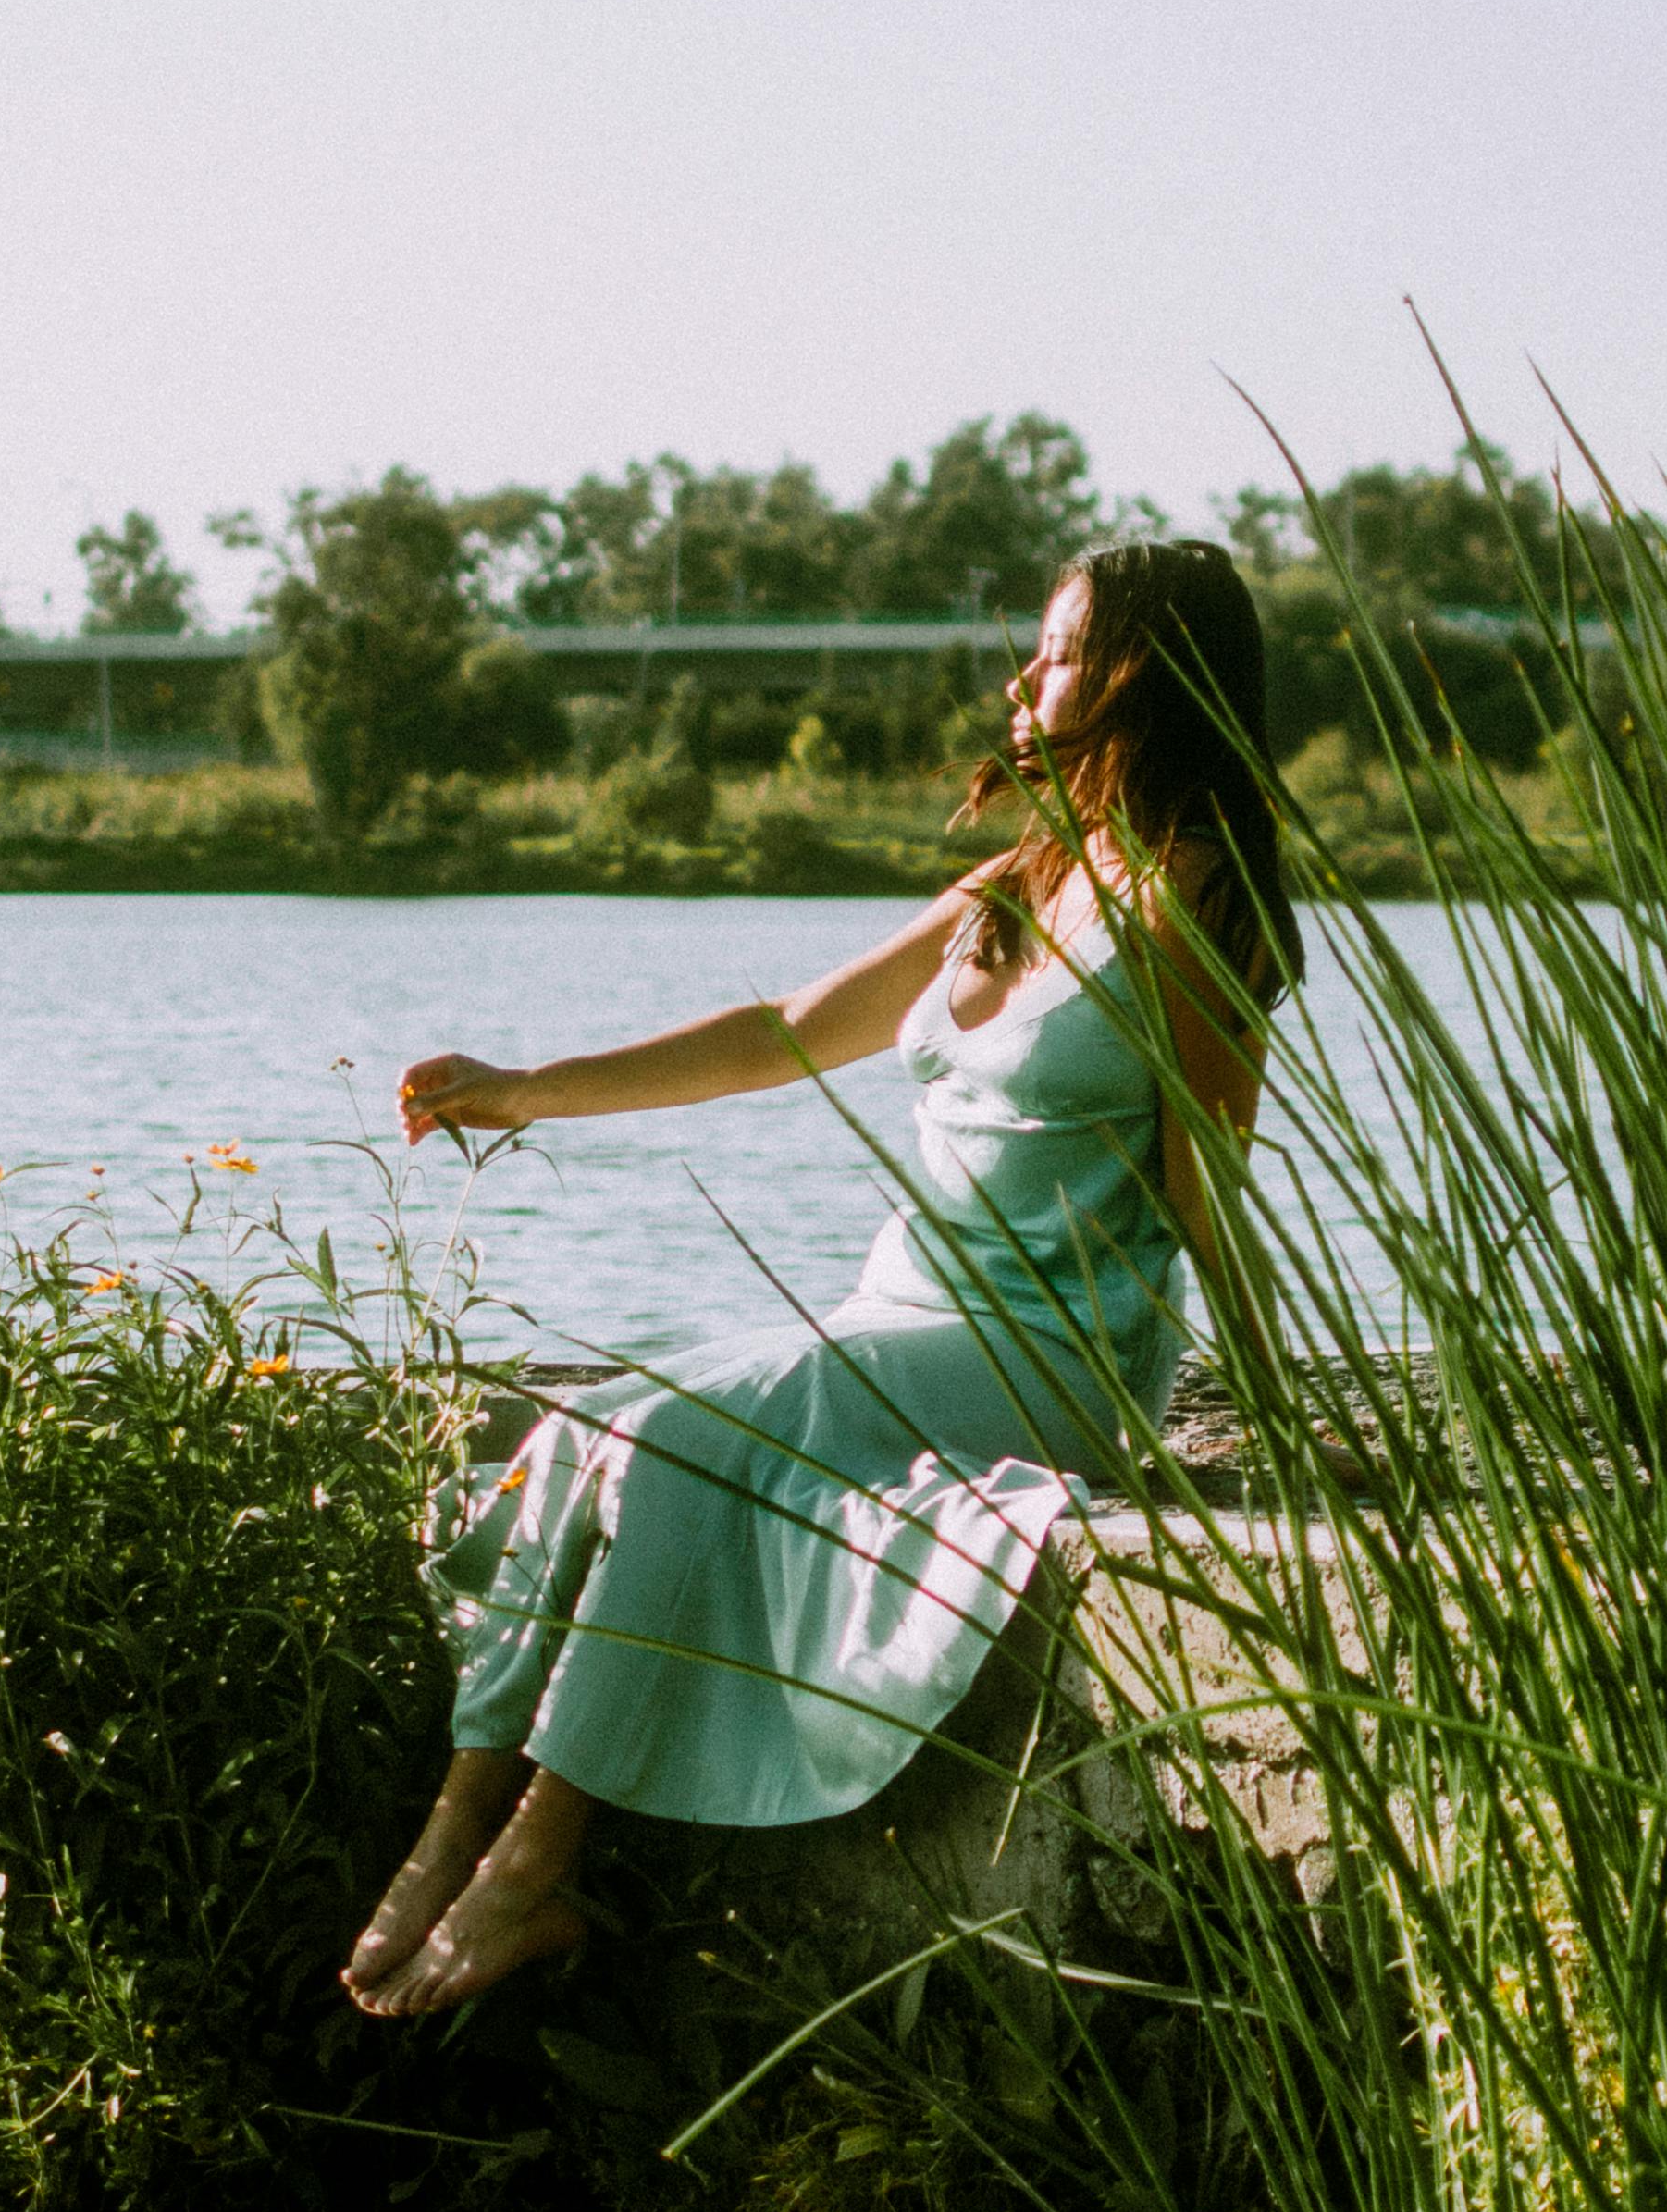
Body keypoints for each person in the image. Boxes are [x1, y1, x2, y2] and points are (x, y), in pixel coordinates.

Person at [344, 538, 1296, 2016]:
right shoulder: (1019, 881)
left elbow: (1203, 1199)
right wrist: (527, 1088)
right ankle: (460, 1818)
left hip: (1048, 1358)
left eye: (1052, 650)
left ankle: (539, 1861)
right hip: (895, 1317)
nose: (1020, 676)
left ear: (1134, 679)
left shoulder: (1198, 913)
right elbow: (785, 1030)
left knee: (672, 1447)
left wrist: (1283, 1415)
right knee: (594, 1429)